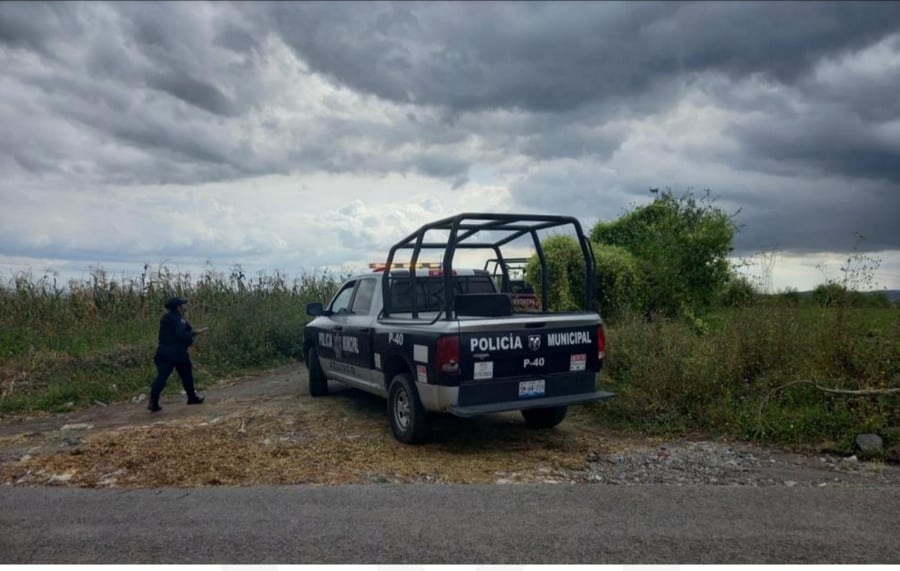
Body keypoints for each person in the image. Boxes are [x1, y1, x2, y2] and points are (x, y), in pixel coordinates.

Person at [148, 296, 208, 412]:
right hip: (177, 352)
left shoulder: (165, 318)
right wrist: (193, 334)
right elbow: (181, 334)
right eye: (182, 305)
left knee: (161, 377)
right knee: (186, 375)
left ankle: (153, 402)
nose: (184, 307)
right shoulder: (179, 320)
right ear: (178, 307)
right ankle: (192, 397)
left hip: (162, 351)